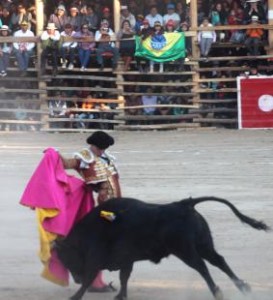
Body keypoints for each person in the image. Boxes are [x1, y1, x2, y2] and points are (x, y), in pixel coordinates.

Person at [20, 131, 121, 291]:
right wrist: (55, 153)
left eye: (104, 148)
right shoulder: (84, 157)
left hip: (112, 206)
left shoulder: (105, 158)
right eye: (100, 148)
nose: (102, 151)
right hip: (103, 210)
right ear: (93, 145)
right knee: (101, 243)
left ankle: (82, 269)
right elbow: (66, 164)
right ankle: (93, 281)